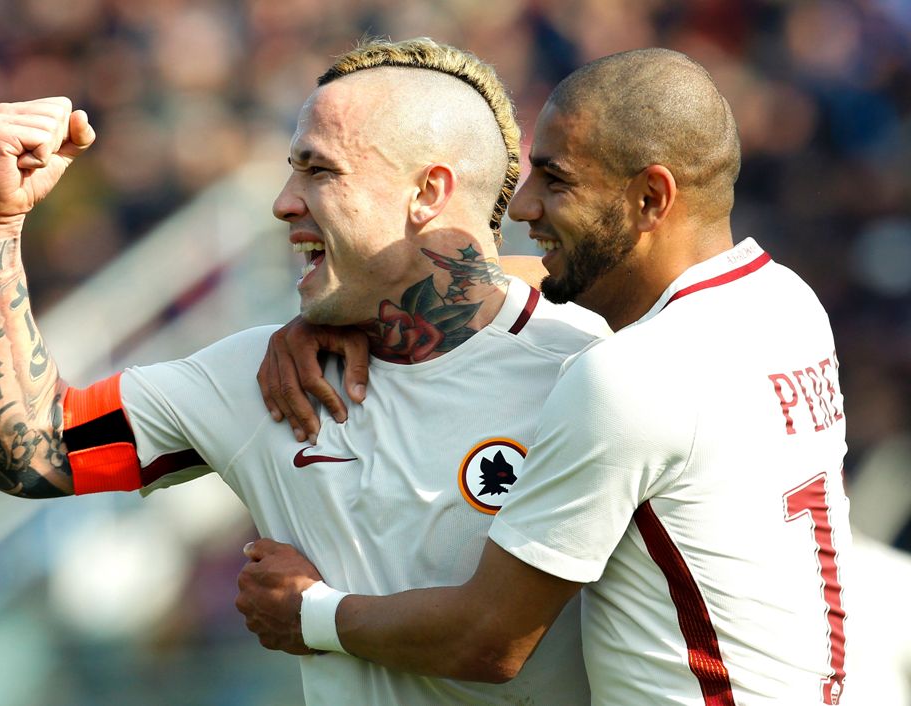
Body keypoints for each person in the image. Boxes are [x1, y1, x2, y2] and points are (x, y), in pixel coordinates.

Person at [0, 38, 609, 704]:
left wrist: (312, 615)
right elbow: (26, 451)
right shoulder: (262, 378)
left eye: (317, 170)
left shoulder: (597, 364)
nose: (283, 203)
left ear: (428, 191)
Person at [236, 47, 855, 705]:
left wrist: (306, 612)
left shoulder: (628, 378)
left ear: (650, 197)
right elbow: (565, 286)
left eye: (555, 181)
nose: (524, 208)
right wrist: (370, 293)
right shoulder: (787, 304)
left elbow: (489, 637)